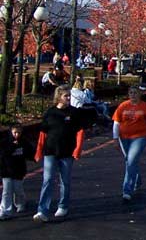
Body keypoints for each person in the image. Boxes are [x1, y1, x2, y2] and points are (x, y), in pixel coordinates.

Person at [33, 85, 96, 222]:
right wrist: (39, 151)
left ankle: (63, 205)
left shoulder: (74, 113)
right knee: (47, 180)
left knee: (65, 180)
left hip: (67, 151)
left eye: (69, 95)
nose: (68, 98)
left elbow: (80, 132)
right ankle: (42, 210)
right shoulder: (50, 113)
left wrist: (77, 149)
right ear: (58, 97)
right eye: (65, 96)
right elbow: (43, 133)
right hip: (50, 151)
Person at [0, 124, 35, 220]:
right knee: (6, 191)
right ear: (11, 132)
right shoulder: (5, 143)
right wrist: (12, 147)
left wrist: (34, 157)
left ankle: (20, 203)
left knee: (17, 188)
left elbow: (30, 153)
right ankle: (5, 210)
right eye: (14, 132)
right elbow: (3, 154)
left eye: (19, 132)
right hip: (6, 170)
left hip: (18, 170)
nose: (16, 134)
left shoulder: (24, 143)